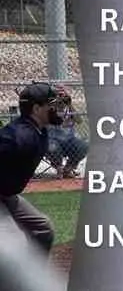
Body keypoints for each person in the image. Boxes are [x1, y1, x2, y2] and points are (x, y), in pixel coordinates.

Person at [0, 82, 63, 258]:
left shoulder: (38, 130)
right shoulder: (19, 136)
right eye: (51, 105)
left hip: (7, 195)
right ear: (36, 109)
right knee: (13, 244)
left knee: (43, 229)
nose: (56, 108)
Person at [46, 85, 88, 178]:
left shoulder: (68, 107)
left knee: (83, 146)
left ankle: (69, 168)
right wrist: (55, 103)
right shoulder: (48, 107)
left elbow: (79, 121)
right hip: (52, 140)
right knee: (51, 146)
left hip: (69, 140)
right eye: (58, 94)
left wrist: (69, 104)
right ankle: (59, 168)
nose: (60, 96)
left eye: (62, 94)